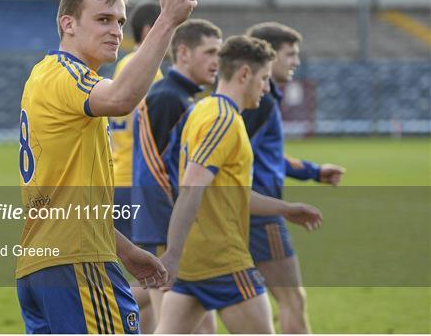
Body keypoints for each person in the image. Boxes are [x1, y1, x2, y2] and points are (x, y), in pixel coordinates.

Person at [16, 0, 198, 333]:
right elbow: (122, 98)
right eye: (102, 19)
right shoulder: (67, 74)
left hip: (41, 265)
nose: (115, 30)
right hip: (77, 265)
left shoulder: (45, 76)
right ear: (67, 23)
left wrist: (127, 251)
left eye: (119, 21)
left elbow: (64, 202)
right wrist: (167, 21)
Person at [155, 35, 323, 334]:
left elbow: (230, 193)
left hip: (194, 263)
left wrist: (285, 209)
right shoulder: (223, 120)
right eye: (264, 78)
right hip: (222, 260)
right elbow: (192, 188)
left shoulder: (203, 110)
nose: (267, 88)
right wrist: (173, 254)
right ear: (245, 74)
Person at [244, 22, 346, 333]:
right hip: (260, 214)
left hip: (244, 210)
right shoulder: (258, 103)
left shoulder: (262, 99)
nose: (296, 62)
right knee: (292, 300)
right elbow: (231, 156)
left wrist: (315, 172)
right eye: (290, 54)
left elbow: (269, 158)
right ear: (269, 55)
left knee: (201, 299)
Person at [132, 18, 222, 332]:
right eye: (210, 52)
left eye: (219, 54)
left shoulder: (184, 98)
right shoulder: (168, 98)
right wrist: (171, 230)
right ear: (183, 53)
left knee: (201, 326)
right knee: (172, 326)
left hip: (175, 228)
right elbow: (152, 171)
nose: (216, 62)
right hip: (164, 229)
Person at [108, 0, 163, 333]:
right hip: (136, 182)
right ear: (149, 31)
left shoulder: (125, 64)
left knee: (144, 273)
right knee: (160, 274)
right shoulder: (149, 71)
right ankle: (104, 308)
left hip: (120, 176)